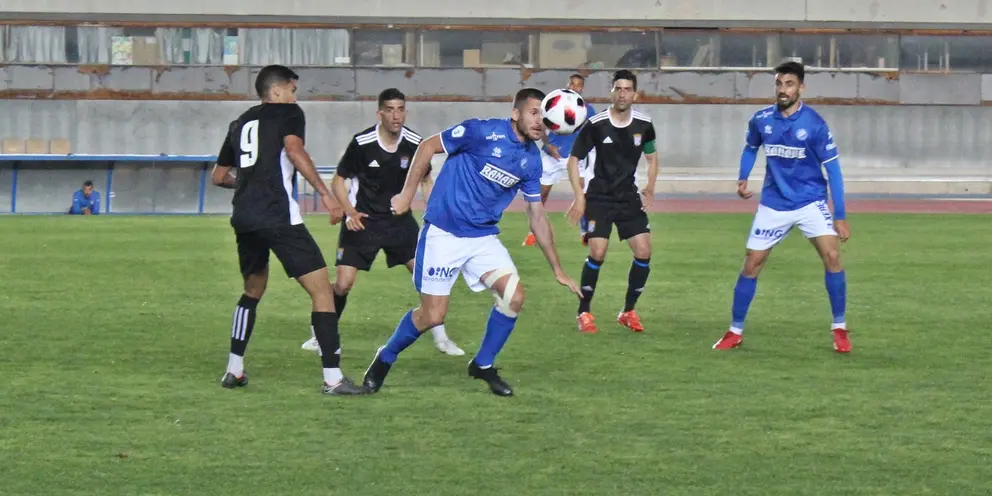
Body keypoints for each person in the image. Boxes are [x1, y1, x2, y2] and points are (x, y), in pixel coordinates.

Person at [361, 88, 582, 397]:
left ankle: (482, 365)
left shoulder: (532, 161)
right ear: (516, 113)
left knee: (514, 297)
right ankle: (385, 357)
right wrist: (408, 194)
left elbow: (537, 216)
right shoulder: (481, 131)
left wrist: (557, 269)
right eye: (533, 113)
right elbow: (426, 147)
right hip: (444, 234)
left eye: (544, 117)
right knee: (432, 317)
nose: (539, 122)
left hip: (482, 237)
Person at [210, 64, 367, 395]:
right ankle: (333, 378)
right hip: (278, 215)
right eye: (293, 89)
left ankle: (233, 370)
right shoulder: (290, 113)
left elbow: (220, 176)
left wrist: (249, 183)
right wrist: (326, 195)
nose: (296, 96)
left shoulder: (239, 123)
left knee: (252, 292)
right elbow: (295, 151)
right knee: (323, 291)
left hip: (244, 218)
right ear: (277, 91)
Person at [299, 88, 465, 357]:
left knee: (426, 276)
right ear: (380, 113)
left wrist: (434, 214)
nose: (396, 115)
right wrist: (350, 212)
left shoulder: (415, 143)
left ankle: (441, 338)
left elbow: (424, 179)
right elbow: (339, 180)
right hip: (363, 221)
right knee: (343, 284)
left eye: (400, 109)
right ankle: (321, 334)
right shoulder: (362, 143)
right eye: (390, 109)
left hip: (400, 224)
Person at [711, 61, 852, 353]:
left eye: (789, 84)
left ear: (801, 87)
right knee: (752, 263)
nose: (783, 90)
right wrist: (743, 176)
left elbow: (834, 171)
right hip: (774, 203)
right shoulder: (762, 120)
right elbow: (751, 147)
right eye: (779, 84)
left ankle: (839, 328)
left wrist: (840, 216)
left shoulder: (814, 124)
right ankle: (735, 331)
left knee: (833, 256)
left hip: (810, 201)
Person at [565, 70, 659, 334]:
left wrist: (650, 187)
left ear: (635, 94)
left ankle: (628, 311)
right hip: (598, 197)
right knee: (597, 252)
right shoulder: (596, 124)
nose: (622, 93)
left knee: (644, 252)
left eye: (627, 89)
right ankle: (584, 312)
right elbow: (574, 160)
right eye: (618, 88)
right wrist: (578, 197)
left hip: (628, 196)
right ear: (611, 91)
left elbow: (652, 157)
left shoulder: (644, 124)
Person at [522, 74, 596, 247]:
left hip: (575, 157)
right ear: (568, 85)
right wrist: (549, 145)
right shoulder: (553, 104)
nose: (575, 87)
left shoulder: (587, 110)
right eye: (573, 83)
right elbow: (539, 127)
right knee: (540, 195)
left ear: (582, 88)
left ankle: (585, 232)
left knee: (585, 194)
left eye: (579, 85)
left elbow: (593, 133)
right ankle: (533, 232)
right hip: (551, 156)